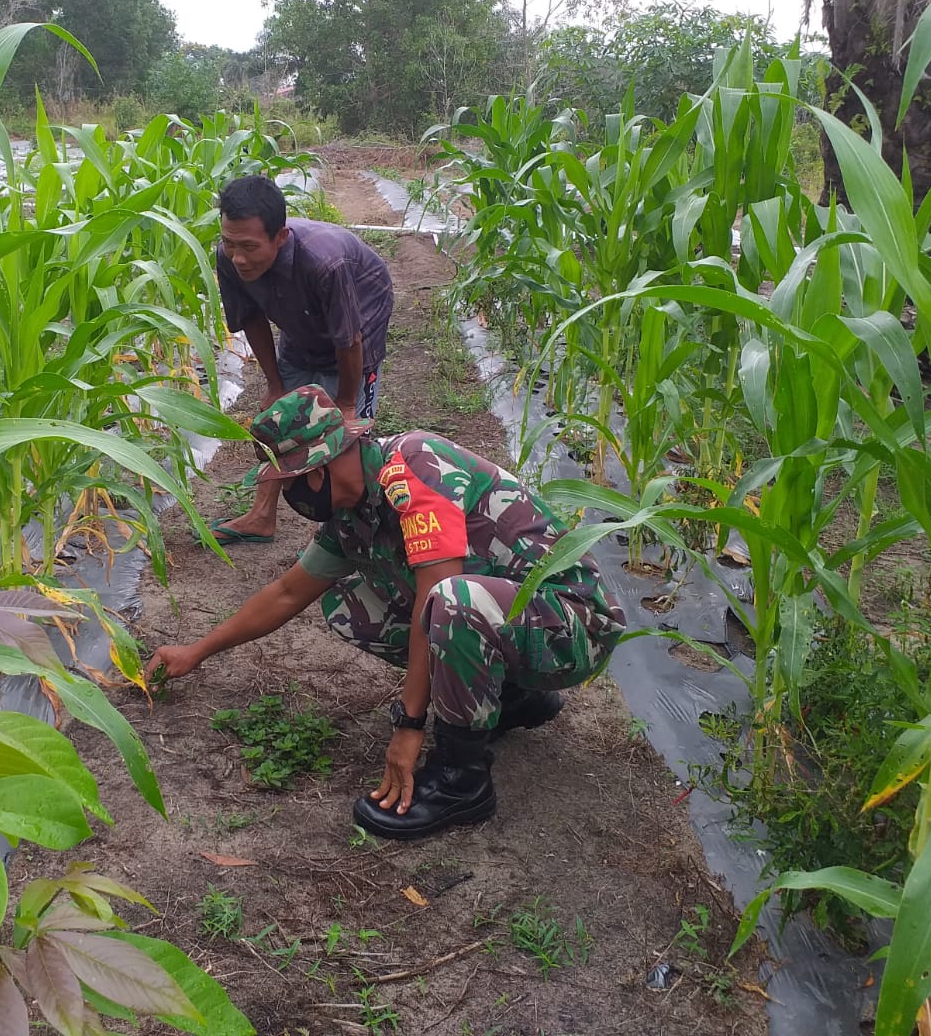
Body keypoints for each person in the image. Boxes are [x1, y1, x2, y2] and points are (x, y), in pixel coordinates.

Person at [146, 387, 627, 841]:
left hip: (574, 626)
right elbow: (288, 593)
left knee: (451, 600)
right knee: (350, 605)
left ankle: (463, 781)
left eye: (289, 482)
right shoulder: (352, 512)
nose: (291, 497)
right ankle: (513, 699)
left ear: (318, 468)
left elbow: (438, 597)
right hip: (517, 624)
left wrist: (409, 726)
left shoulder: (415, 467)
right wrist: (197, 651)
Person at [207, 174, 394, 545]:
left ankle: (355, 533)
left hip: (360, 315)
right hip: (301, 321)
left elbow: (349, 338)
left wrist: (345, 404)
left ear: (280, 237)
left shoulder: (326, 263)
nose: (238, 257)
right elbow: (252, 318)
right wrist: (275, 385)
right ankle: (262, 516)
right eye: (230, 243)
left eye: (249, 246)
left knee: (344, 437)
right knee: (281, 419)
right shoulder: (230, 259)